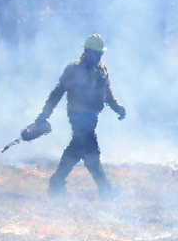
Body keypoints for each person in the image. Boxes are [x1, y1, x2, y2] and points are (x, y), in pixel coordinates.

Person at [33, 33, 126, 198]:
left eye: (101, 54)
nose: (98, 57)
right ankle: (105, 190)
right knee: (91, 151)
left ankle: (57, 183)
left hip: (92, 116)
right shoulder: (73, 70)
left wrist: (117, 107)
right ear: (86, 51)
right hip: (77, 115)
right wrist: (43, 116)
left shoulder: (101, 68)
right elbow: (57, 93)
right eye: (96, 53)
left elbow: (107, 92)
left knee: (79, 149)